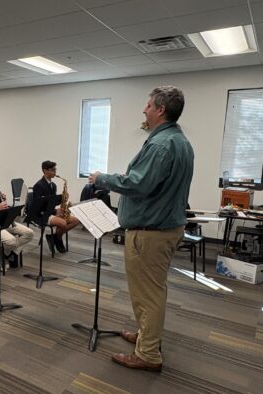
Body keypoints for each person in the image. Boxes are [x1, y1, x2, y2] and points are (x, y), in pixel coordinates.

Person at [89, 86, 193, 372]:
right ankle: (146, 336)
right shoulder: (179, 141)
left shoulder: (160, 145)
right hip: (165, 227)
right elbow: (149, 181)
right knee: (151, 291)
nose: (144, 110)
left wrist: (102, 178)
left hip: (150, 232)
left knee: (148, 294)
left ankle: (148, 353)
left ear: (160, 110)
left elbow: (138, 184)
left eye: (148, 105)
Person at [31, 160, 80, 254]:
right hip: (42, 214)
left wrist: (62, 201)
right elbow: (39, 206)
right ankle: (58, 238)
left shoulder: (53, 185)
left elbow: (52, 202)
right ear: (45, 171)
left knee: (76, 220)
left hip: (51, 211)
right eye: (52, 170)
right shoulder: (38, 186)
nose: (55, 172)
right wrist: (55, 211)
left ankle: (54, 236)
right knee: (63, 223)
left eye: (55, 169)